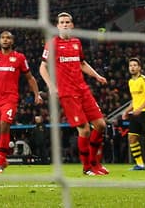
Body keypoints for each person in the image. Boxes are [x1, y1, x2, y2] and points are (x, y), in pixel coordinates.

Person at [38, 11, 109, 176]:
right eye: (61, 22)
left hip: (83, 89)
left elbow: (82, 63)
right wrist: (51, 86)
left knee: (101, 125)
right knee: (84, 130)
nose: (64, 24)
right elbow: (42, 67)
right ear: (57, 26)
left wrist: (97, 76)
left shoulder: (77, 43)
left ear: (72, 25)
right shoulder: (52, 44)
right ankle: (87, 168)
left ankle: (95, 163)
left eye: (67, 22)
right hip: (68, 93)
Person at [0, 30, 44, 173]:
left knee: (5, 124)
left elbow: (30, 78)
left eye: (8, 38)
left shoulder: (19, 57)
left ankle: (0, 162)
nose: (5, 40)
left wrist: (37, 94)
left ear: (12, 41)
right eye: (2, 38)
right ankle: (2, 157)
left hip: (10, 99)